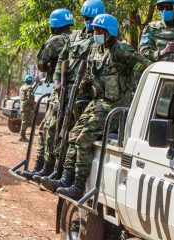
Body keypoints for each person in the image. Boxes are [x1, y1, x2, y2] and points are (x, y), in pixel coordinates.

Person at [45, 14, 152, 199]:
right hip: (97, 103)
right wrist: (81, 87)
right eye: (94, 30)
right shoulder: (96, 49)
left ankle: (78, 186)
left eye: (99, 30)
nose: (95, 33)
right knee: (72, 135)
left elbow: (147, 68)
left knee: (83, 138)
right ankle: (65, 179)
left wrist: (132, 82)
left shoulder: (122, 51)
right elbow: (89, 73)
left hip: (114, 105)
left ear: (110, 32)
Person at [36, 0, 106, 184]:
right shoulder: (74, 36)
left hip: (82, 95)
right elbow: (61, 60)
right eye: (86, 18)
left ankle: (61, 173)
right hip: (65, 90)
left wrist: (84, 86)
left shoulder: (100, 39)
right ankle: (46, 167)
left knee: (70, 134)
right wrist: (59, 80)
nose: (89, 22)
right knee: (53, 129)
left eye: (91, 18)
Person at [18, 8, 74, 179]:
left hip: (58, 90)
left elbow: (41, 63)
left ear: (54, 25)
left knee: (47, 130)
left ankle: (43, 168)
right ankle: (45, 168)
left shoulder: (55, 40)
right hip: (71, 92)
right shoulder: (76, 38)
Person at [19, 75, 35, 142]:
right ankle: (22, 137)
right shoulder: (29, 87)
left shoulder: (22, 87)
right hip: (27, 107)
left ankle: (22, 136)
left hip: (22, 105)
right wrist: (32, 105)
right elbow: (29, 97)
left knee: (23, 121)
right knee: (25, 121)